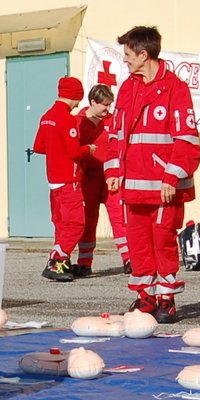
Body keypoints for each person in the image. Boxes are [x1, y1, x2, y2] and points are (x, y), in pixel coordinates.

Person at [101, 25, 200, 324]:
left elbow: (187, 140)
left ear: (144, 55)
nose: (126, 60)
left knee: (163, 242)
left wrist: (172, 177)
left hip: (163, 187)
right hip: (133, 186)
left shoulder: (175, 89)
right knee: (138, 242)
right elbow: (115, 134)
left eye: (129, 55)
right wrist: (113, 170)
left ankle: (166, 300)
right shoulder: (128, 88)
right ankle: (146, 297)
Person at [32, 75, 87, 282]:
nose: (78, 103)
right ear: (74, 96)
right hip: (69, 179)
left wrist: (56, 151)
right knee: (76, 224)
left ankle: (61, 263)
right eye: (78, 98)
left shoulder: (47, 116)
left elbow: (39, 146)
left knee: (61, 223)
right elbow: (74, 153)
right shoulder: (67, 118)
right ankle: (57, 260)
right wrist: (88, 149)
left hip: (53, 179)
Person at [75, 83, 117, 277]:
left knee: (119, 218)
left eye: (110, 105)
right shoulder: (78, 122)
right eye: (105, 105)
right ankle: (84, 262)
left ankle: (129, 260)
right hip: (88, 178)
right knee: (88, 220)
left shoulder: (112, 121)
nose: (108, 109)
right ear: (93, 102)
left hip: (110, 177)